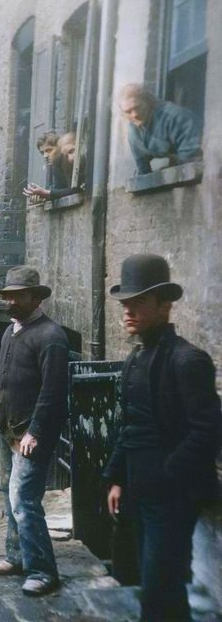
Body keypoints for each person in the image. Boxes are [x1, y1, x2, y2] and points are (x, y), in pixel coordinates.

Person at [104, 254, 221, 622]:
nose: (128, 312)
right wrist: (118, 477)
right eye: (126, 304)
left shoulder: (188, 361)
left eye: (139, 303)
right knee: (152, 585)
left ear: (165, 306)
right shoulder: (136, 360)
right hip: (141, 491)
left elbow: (208, 431)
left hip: (173, 496)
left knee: (160, 587)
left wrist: (168, 474)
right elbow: (130, 426)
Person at [0, 266, 69, 597]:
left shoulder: (51, 337)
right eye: (7, 296)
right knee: (10, 496)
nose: (10, 302)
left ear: (35, 298)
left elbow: (53, 392)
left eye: (17, 296)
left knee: (24, 500)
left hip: (32, 435)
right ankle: (17, 557)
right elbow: (3, 379)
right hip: (9, 428)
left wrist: (35, 431)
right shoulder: (11, 333)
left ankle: (43, 570)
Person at [118, 83, 201, 175]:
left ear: (148, 102)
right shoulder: (133, 129)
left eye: (137, 107)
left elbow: (191, 160)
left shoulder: (176, 118)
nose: (134, 115)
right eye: (128, 112)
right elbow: (143, 169)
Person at [24, 132, 80, 201]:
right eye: (42, 152)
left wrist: (46, 193)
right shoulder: (55, 166)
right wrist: (42, 196)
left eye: (49, 150)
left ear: (60, 148)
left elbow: (77, 190)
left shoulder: (71, 162)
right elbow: (59, 191)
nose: (45, 156)